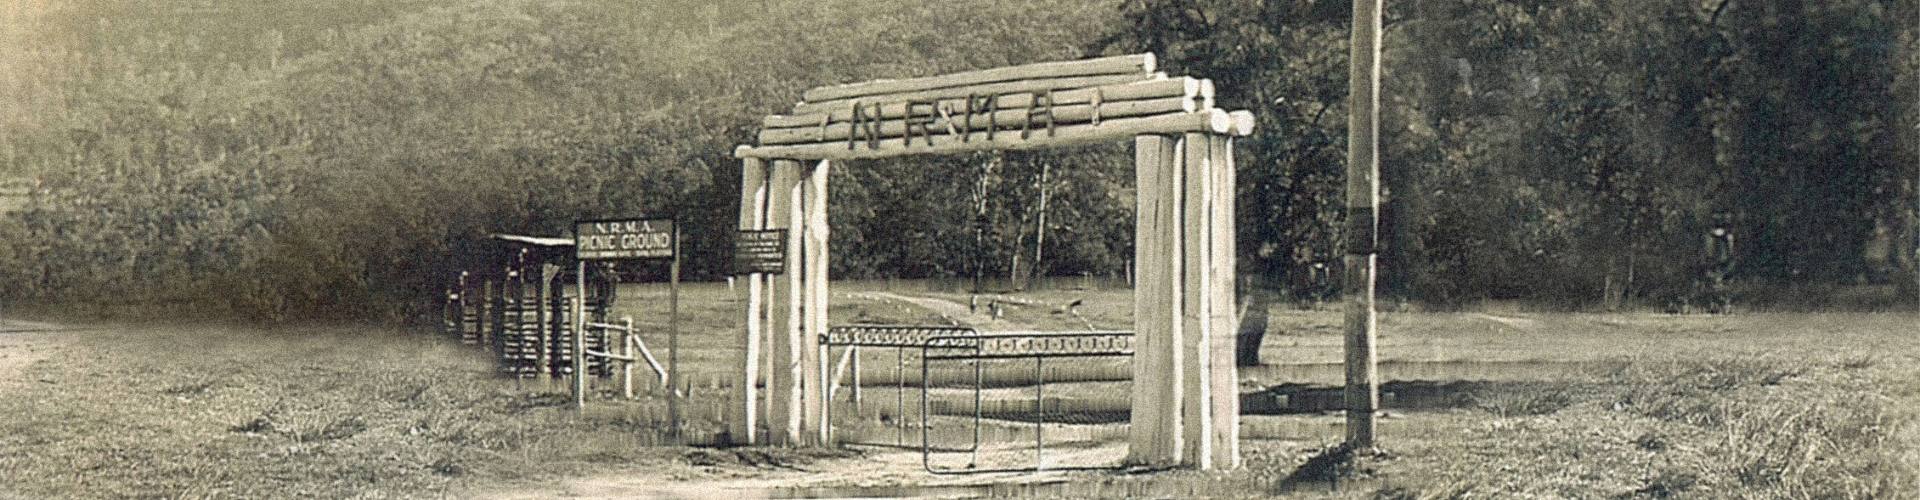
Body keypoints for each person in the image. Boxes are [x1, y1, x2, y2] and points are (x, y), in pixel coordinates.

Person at [1701, 216, 1736, 314]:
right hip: (1720, 260)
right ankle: (1721, 304)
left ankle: (1718, 304)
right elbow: (1730, 249)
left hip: (1717, 260)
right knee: (1721, 282)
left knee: (1717, 282)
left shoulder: (1711, 235)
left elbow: (1708, 250)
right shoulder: (1726, 235)